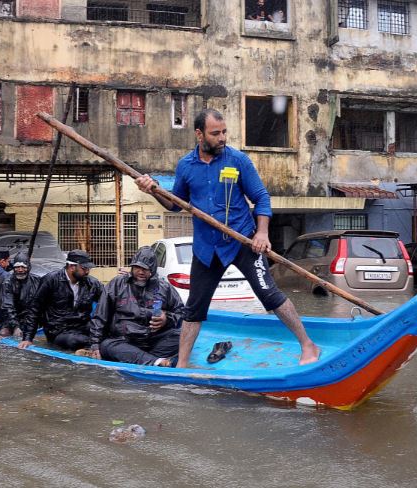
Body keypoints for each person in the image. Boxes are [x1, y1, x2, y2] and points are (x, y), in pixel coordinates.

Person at [135, 108, 320, 368]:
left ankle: (308, 345)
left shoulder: (238, 160)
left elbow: (261, 198)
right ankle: (183, 364)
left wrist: (262, 233)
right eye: (215, 133)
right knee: (194, 309)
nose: (222, 138)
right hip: (206, 249)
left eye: (224, 132)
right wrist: (153, 189)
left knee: (270, 295)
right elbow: (175, 204)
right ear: (199, 134)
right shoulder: (186, 166)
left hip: (242, 241)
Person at [88, 246, 183, 367]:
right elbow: (100, 316)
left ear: (152, 270)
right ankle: (154, 361)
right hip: (124, 340)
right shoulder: (117, 284)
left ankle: (143, 358)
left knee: (182, 336)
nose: (141, 272)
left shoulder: (164, 288)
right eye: (137, 267)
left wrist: (167, 319)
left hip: (153, 340)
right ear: (132, 267)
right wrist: (94, 344)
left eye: (145, 268)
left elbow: (181, 313)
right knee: (107, 346)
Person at [20, 250, 103, 350]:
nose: (87, 272)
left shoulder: (92, 283)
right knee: (75, 341)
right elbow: (35, 309)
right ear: (72, 267)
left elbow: (108, 301)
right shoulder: (51, 280)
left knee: (105, 335)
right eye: (84, 268)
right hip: (58, 331)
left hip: (83, 327)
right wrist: (28, 338)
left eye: (88, 269)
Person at [0, 251, 40, 338]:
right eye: (17, 267)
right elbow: (7, 307)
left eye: (23, 267)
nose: (20, 270)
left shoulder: (37, 280)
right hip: (11, 318)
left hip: (31, 318)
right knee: (4, 333)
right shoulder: (7, 283)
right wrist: (16, 326)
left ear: (28, 267)